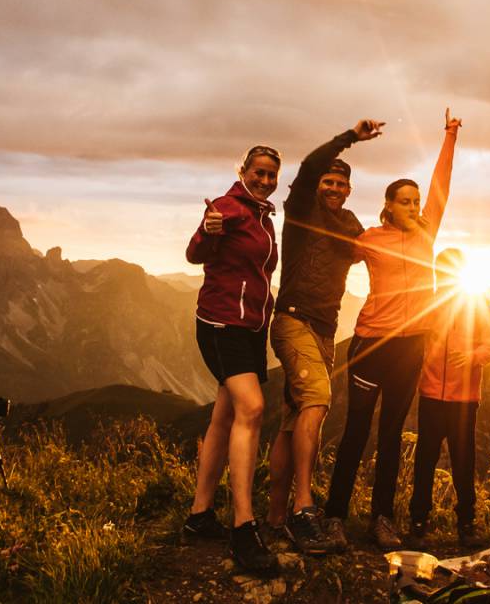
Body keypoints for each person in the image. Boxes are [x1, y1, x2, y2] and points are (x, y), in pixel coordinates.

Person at [324, 109, 461, 551]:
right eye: (406, 201)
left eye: (417, 201)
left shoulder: (426, 234)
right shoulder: (369, 239)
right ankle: (334, 518)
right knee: (356, 431)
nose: (415, 207)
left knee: (391, 435)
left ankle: (381, 518)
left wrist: (450, 135)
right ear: (387, 206)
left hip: (412, 347)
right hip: (371, 344)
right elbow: (326, 251)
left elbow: (442, 184)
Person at [263, 118, 383, 555]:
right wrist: (350, 138)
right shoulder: (300, 208)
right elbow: (309, 165)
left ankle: (276, 520)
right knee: (317, 400)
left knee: (292, 421)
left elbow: (373, 250)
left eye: (340, 183)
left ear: (349, 190)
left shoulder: (350, 222)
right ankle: (304, 509)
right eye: (328, 181)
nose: (332, 188)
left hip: (325, 330)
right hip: (292, 320)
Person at [180, 144, 284, 575]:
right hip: (223, 325)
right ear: (243, 170)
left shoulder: (261, 213)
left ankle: (199, 516)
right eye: (257, 172)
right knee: (253, 409)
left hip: (249, 329)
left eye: (271, 175)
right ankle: (244, 528)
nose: (264, 180)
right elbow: (195, 253)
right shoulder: (228, 207)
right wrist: (209, 230)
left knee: (224, 418)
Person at [408, 247, 490, 550]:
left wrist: (473, 356)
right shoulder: (431, 303)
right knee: (425, 459)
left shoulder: (477, 304)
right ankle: (418, 521)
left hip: (464, 399)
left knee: (463, 461)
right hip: (432, 394)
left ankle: (466, 523)